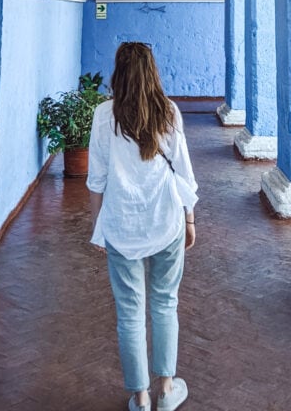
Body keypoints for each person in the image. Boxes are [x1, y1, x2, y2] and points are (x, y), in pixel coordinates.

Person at [88, 41, 198, 411]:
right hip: (166, 220)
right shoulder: (168, 112)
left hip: (121, 226)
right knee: (165, 303)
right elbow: (183, 171)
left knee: (129, 311)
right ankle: (166, 391)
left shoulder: (104, 115)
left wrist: (97, 227)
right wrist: (190, 217)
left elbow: (96, 181)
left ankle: (141, 397)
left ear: (118, 75)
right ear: (153, 73)